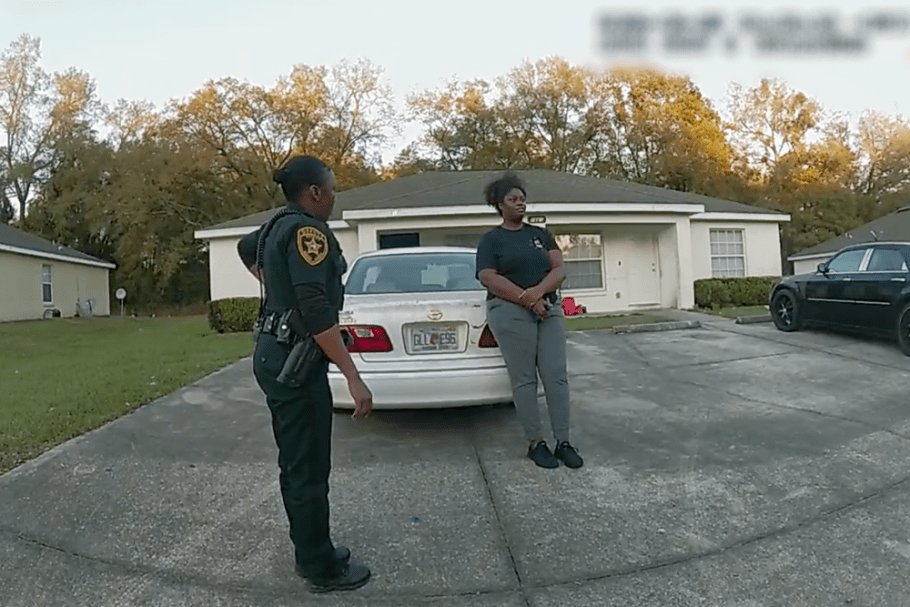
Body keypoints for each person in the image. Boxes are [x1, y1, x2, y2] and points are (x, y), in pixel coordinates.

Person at [236, 154, 373, 593]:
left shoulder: (277, 225)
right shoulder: (307, 232)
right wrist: (353, 375)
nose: (334, 195)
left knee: (297, 462)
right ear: (314, 192)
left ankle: (313, 549)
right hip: (295, 364)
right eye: (331, 188)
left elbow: (245, 248)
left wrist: (278, 290)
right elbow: (316, 312)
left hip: (274, 355)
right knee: (308, 467)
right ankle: (319, 568)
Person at [475, 172, 584, 470]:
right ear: (500, 204)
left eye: (522, 199)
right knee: (524, 379)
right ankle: (536, 443)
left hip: (548, 308)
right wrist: (526, 299)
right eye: (513, 199)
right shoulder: (491, 240)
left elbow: (559, 269)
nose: (520, 204)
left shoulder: (540, 235)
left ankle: (564, 442)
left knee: (556, 375)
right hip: (509, 311)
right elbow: (488, 277)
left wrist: (537, 294)